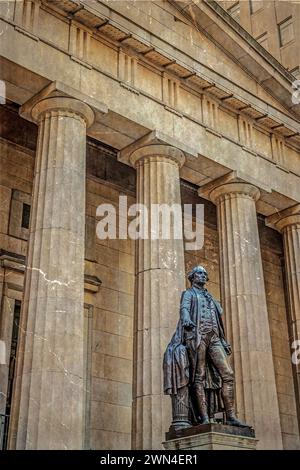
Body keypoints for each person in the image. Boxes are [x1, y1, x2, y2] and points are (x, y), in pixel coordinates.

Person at [163, 265, 247, 427]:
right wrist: (187, 319)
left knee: (228, 374)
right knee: (198, 376)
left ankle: (230, 415)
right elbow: (184, 309)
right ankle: (204, 418)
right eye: (199, 273)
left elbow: (218, 319)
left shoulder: (210, 297)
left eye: (205, 274)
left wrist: (222, 340)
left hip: (214, 337)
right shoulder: (188, 293)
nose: (203, 276)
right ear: (193, 277)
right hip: (197, 336)